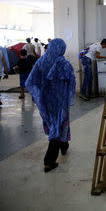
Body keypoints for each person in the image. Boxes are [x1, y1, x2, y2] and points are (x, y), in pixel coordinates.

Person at [25, 38, 76, 172]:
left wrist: (39, 95)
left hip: (46, 101)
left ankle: (64, 146)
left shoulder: (40, 62)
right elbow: (71, 83)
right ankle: (49, 161)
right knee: (58, 125)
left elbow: (30, 82)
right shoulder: (64, 64)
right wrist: (68, 96)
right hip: (60, 102)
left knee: (56, 124)